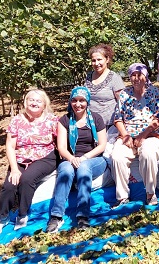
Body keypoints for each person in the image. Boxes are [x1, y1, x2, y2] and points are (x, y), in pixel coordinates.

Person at [0, 89, 59, 235]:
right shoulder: (17, 120)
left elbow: (62, 140)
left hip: (45, 157)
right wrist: (14, 168)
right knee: (9, 185)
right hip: (21, 157)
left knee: (27, 179)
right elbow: (9, 145)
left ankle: (22, 213)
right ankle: (2, 217)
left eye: (38, 101)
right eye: (31, 100)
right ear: (25, 102)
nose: (34, 103)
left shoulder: (52, 120)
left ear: (44, 104)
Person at [46, 86, 108, 233]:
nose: (78, 104)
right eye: (74, 100)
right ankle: (56, 216)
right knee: (66, 170)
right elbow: (61, 147)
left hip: (94, 159)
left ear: (87, 101)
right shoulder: (65, 120)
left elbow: (102, 145)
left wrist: (85, 157)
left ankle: (83, 215)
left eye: (82, 100)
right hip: (71, 158)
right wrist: (72, 158)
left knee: (84, 167)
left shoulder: (97, 119)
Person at [111, 63, 159, 207]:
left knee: (148, 153)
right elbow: (117, 118)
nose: (136, 78)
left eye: (139, 74)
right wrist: (125, 135)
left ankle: (150, 193)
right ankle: (122, 197)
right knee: (117, 156)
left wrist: (143, 135)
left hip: (150, 133)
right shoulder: (124, 94)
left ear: (145, 76)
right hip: (128, 134)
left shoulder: (154, 92)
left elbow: (158, 118)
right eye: (133, 75)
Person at [85, 44, 125, 128]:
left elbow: (123, 103)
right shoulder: (88, 77)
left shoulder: (114, 78)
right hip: (91, 123)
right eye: (93, 60)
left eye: (99, 59)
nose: (96, 63)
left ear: (107, 59)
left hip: (110, 125)